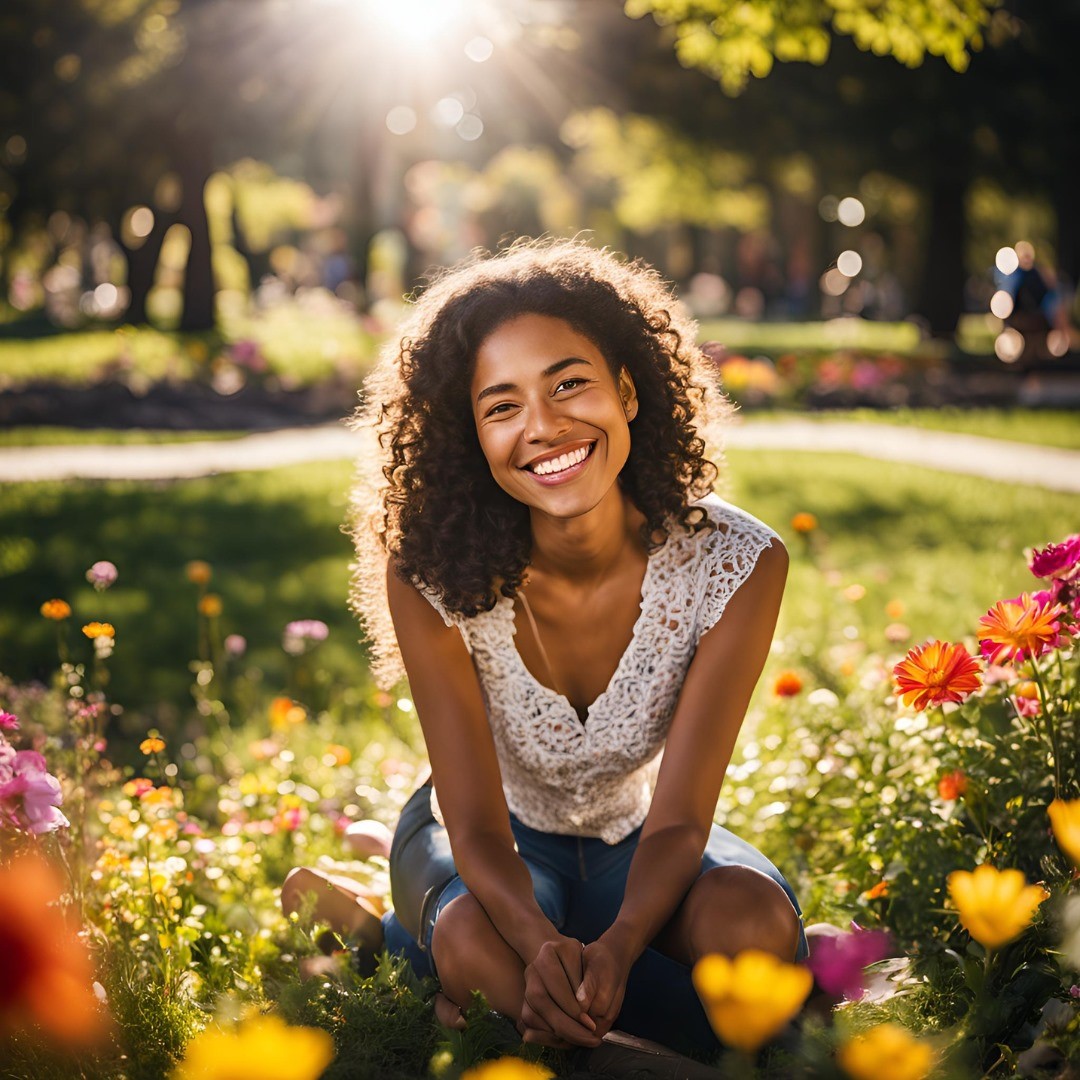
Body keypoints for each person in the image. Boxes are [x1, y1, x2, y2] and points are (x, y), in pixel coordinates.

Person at [303, 238, 807, 1063]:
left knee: (753, 924)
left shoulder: (736, 564)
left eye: (569, 383)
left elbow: (680, 820)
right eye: (501, 406)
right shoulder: (428, 570)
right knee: (475, 943)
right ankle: (394, 930)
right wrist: (542, 948)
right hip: (489, 844)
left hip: (637, 839)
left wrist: (616, 945)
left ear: (629, 390)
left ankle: (413, 954)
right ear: (471, 435)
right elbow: (470, 824)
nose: (544, 427)